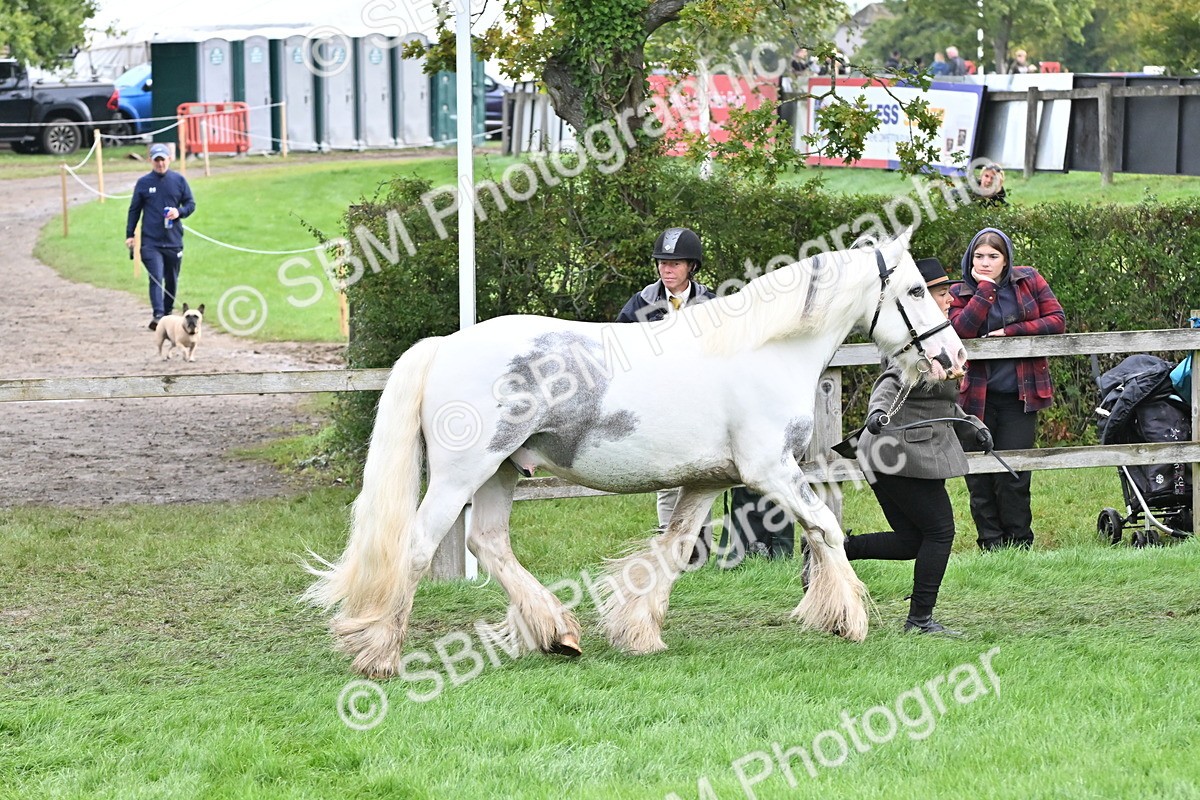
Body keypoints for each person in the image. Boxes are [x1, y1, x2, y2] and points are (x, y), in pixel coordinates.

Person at [829, 257, 990, 634]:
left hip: (907, 450)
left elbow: (942, 404)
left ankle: (834, 549)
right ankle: (920, 620)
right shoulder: (909, 342)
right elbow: (888, 383)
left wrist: (975, 429)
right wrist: (877, 412)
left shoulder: (935, 338)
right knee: (940, 531)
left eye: (948, 292)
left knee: (910, 540)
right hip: (898, 451)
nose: (948, 299)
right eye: (940, 293)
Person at [616, 228, 791, 566]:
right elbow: (622, 349)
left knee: (701, 476)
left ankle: (699, 555)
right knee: (667, 479)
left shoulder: (712, 304)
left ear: (691, 267)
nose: (667, 270)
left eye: (675, 264)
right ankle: (669, 551)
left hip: (701, 407)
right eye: (662, 264)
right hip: (658, 404)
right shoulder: (641, 303)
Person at [949, 228, 1065, 550]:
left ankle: (1019, 543)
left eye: (993, 257)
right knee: (979, 476)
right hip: (974, 399)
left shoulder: (1028, 280)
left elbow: (1056, 319)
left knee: (1013, 473)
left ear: (1006, 260)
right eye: (979, 256)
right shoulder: (959, 292)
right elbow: (961, 331)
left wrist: (1011, 332)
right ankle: (991, 543)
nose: (985, 262)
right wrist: (984, 290)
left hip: (1019, 396)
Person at [126, 142, 196, 330]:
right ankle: (158, 316)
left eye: (162, 160)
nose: (160, 164)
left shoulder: (179, 181)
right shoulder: (143, 183)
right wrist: (130, 234)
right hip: (151, 241)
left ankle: (167, 313)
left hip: (173, 241)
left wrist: (178, 212)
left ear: (169, 159)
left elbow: (191, 204)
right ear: (151, 161)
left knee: (172, 279)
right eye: (156, 160)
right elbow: (134, 210)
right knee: (156, 276)